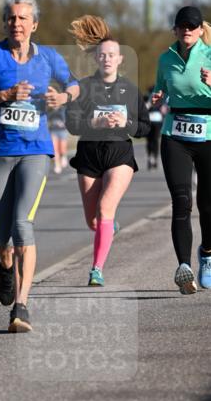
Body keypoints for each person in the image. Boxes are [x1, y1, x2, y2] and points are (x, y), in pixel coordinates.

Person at [0, 0, 79, 332]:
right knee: (3, 234)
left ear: (34, 24)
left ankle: (22, 306)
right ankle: (5, 266)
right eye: (12, 18)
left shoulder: (48, 59)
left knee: (22, 223)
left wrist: (63, 96)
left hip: (35, 149)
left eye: (23, 18)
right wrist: (4, 96)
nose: (17, 23)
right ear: (6, 23)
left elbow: (74, 85)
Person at [65, 16, 151, 286]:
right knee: (94, 220)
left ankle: (96, 269)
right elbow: (71, 123)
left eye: (112, 55)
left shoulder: (130, 90)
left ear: (120, 59)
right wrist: (95, 122)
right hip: (89, 155)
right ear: (96, 59)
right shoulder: (84, 88)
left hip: (119, 155)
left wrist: (125, 122)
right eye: (102, 55)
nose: (107, 59)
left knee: (105, 208)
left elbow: (145, 126)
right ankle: (107, 229)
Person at [151, 5, 211, 293]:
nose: (187, 30)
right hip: (175, 133)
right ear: (175, 29)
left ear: (200, 30)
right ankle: (184, 267)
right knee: (182, 199)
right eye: (182, 25)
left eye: (192, 26)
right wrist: (156, 96)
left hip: (209, 134)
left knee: (208, 205)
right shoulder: (165, 59)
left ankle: (208, 255)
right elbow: (160, 89)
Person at [144, 86, 167, 169]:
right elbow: (143, 109)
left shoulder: (161, 99)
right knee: (149, 140)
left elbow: (164, 110)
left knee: (155, 140)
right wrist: (149, 104)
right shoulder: (146, 98)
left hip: (157, 122)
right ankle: (150, 157)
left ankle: (154, 158)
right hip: (149, 121)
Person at [47, 108, 69, 173]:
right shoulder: (50, 109)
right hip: (53, 130)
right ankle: (57, 165)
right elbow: (47, 119)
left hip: (62, 130)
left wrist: (63, 123)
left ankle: (63, 156)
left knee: (62, 148)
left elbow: (68, 119)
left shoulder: (63, 109)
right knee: (54, 149)